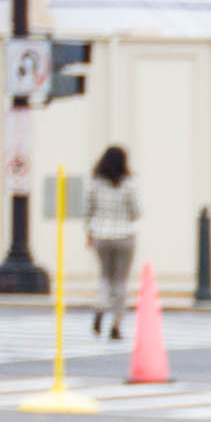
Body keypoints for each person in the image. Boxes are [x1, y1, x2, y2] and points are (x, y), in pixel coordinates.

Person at [84, 145, 140, 341]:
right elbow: (136, 211)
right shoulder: (128, 185)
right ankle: (116, 324)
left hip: (101, 234)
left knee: (105, 277)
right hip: (124, 236)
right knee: (120, 281)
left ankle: (100, 308)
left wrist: (89, 233)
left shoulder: (95, 184)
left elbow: (87, 209)